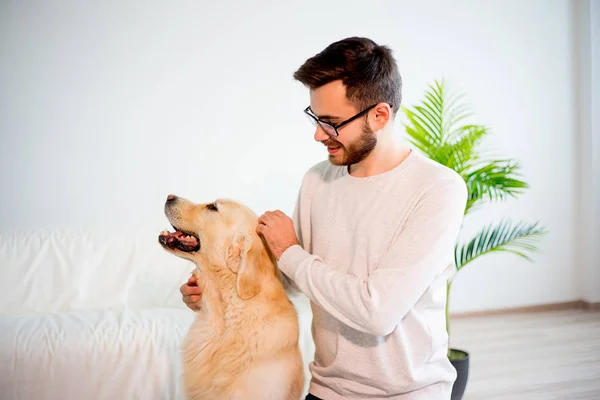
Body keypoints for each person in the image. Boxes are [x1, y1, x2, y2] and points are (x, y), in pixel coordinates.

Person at [180, 37, 468, 400]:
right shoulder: (318, 179)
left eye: (331, 123)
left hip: (408, 394)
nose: (318, 134)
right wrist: (213, 289)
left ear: (380, 115)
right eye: (315, 118)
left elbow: (376, 312)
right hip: (327, 389)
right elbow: (293, 281)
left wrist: (289, 251)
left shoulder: (438, 188)